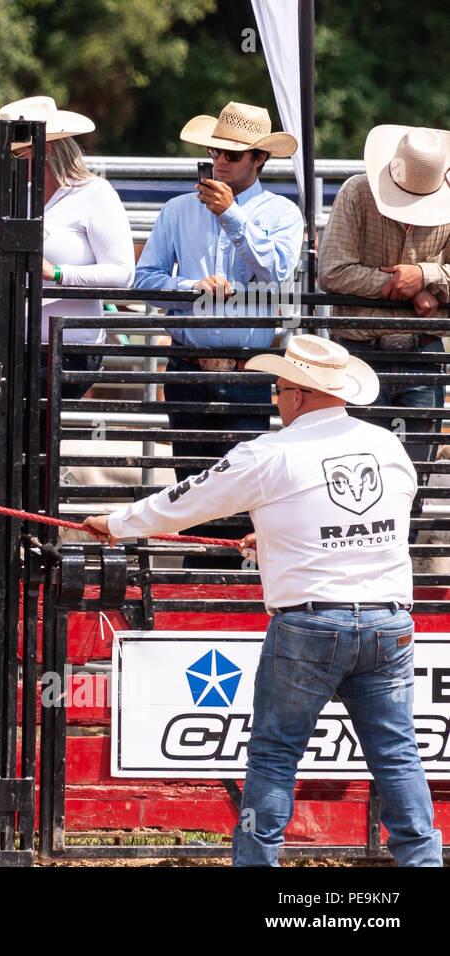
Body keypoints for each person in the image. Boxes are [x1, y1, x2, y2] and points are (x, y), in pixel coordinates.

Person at [85, 334, 442, 867]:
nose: (275, 400)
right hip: (388, 620)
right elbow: (370, 522)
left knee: (275, 755)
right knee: (396, 754)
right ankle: (423, 861)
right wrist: (279, 532)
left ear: (297, 394)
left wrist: (115, 524)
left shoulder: (268, 453)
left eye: (278, 390)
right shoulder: (388, 447)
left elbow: (184, 502)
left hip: (311, 624)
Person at [134, 101, 304, 564]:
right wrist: (190, 287)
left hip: (246, 369)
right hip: (189, 362)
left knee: (239, 490)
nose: (220, 161)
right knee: (191, 483)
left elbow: (276, 273)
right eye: (217, 152)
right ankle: (199, 582)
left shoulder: (282, 214)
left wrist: (232, 216)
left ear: (259, 159)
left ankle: (222, 582)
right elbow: (143, 281)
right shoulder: (177, 210)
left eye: (232, 155)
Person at [0, 96, 134, 399]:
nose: (8, 164)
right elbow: (8, 262)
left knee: (24, 430)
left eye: (16, 155)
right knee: (17, 433)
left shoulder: (95, 193)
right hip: (16, 344)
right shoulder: (21, 196)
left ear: (45, 150)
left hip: (66, 348)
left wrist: (58, 273)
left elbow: (122, 274)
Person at [319, 123, 450, 511]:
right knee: (355, 484)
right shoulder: (357, 193)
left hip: (414, 355)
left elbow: (338, 272)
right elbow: (331, 271)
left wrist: (425, 275)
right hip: (365, 353)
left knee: (409, 486)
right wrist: (406, 285)